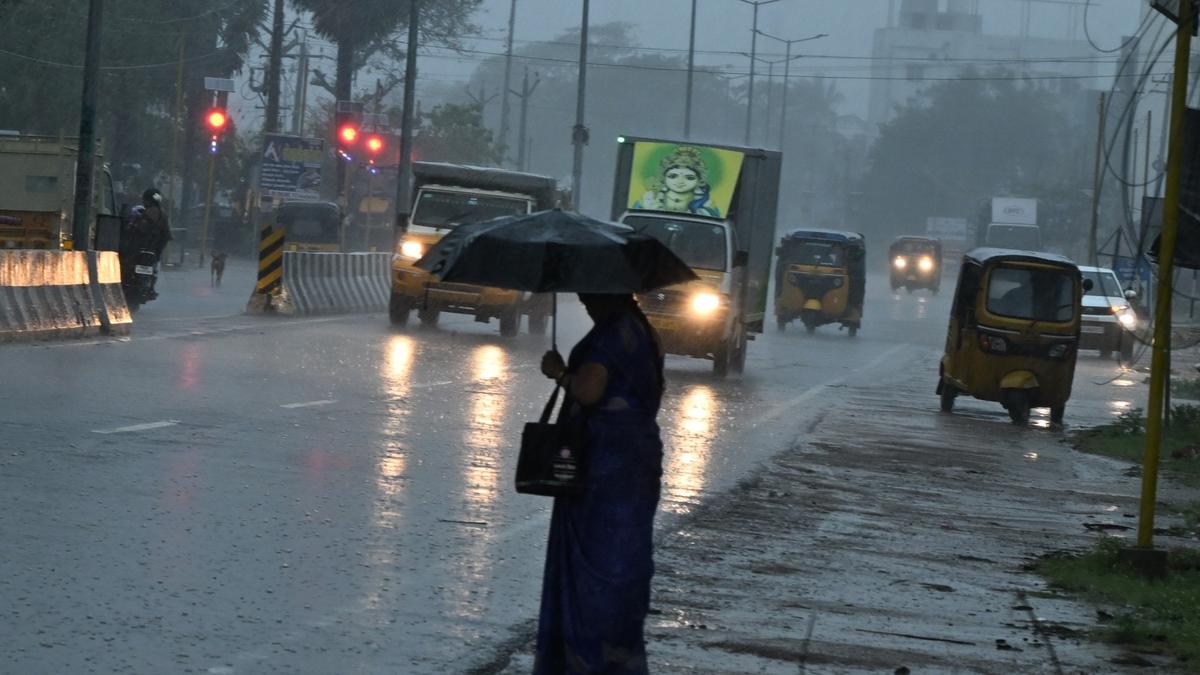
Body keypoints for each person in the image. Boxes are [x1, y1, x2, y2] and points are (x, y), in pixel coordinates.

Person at [535, 293, 666, 674]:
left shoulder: (612, 333)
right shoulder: (642, 330)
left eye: (588, 292)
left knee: (594, 563)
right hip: (638, 459)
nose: (583, 299)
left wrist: (559, 372)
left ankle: (586, 658)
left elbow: (589, 390)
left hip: (603, 462)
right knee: (626, 558)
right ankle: (619, 653)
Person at [634, 146, 720, 217]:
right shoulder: (649, 198)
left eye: (689, 178)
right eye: (673, 176)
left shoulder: (707, 204)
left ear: (700, 181)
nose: (680, 181)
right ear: (664, 178)